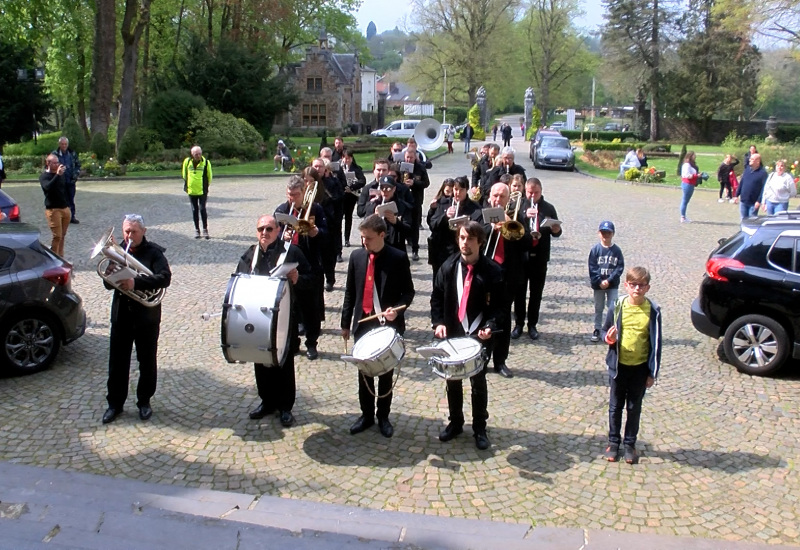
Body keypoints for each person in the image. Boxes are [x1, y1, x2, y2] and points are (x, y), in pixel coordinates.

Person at [431, 221, 504, 450]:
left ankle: (480, 428)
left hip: (479, 337)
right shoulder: (448, 266)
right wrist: (439, 322)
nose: (465, 243)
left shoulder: (492, 271)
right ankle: (455, 422)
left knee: (478, 382)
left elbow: (500, 307)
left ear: (480, 242)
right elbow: (436, 297)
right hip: (453, 333)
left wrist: (491, 325)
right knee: (452, 381)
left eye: (470, 239)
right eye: (462, 238)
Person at [341, 215, 415, 438]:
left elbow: (408, 292)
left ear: (382, 235)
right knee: (365, 372)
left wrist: (397, 309)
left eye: (369, 238)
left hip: (388, 325)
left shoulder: (398, 258)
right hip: (363, 324)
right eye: (362, 238)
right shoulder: (356, 257)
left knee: (384, 372)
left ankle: (383, 416)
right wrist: (346, 324)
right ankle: (366, 414)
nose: (364, 242)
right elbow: (350, 293)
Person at [237, 215, 312, 427]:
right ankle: (267, 401)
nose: (265, 233)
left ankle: (285, 407)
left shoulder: (291, 252)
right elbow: (240, 280)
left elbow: (312, 280)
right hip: (257, 317)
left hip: (285, 316)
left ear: (277, 230)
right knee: (260, 359)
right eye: (261, 229)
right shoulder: (250, 254)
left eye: (269, 229)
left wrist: (298, 279)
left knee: (283, 361)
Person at [102, 214, 172, 424]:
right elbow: (108, 284)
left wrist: (136, 283)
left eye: (133, 231)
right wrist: (110, 275)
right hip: (121, 314)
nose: (129, 236)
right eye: (126, 231)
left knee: (147, 361)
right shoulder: (118, 252)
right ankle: (115, 404)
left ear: (143, 231)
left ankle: (144, 401)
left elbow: (165, 278)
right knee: (117, 362)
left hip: (146, 317)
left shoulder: (154, 253)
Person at [601, 266, 662, 465]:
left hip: (640, 367)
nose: (637, 289)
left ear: (648, 288)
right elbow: (604, 332)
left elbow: (657, 343)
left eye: (641, 285)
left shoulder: (653, 311)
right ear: (626, 285)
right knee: (615, 406)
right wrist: (608, 339)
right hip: (619, 366)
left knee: (634, 407)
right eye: (633, 285)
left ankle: (629, 444)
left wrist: (652, 372)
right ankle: (613, 442)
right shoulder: (617, 306)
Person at [275, 175, 328, 360]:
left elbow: (326, 233)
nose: (292, 199)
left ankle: (312, 344)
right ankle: (293, 342)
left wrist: (315, 232)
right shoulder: (282, 210)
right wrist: (283, 235)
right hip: (289, 262)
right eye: (290, 195)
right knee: (291, 306)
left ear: (303, 192)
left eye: (296, 195)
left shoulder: (315, 208)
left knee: (311, 307)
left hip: (310, 262)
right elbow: (274, 234)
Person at [483, 183, 531, 378]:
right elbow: (471, 237)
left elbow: (528, 242)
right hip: (485, 274)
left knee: (502, 319)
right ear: (489, 197)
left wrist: (510, 224)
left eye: (502, 196)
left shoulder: (517, 217)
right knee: (484, 317)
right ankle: (482, 356)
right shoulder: (482, 215)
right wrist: (490, 228)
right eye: (495, 196)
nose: (498, 200)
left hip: (507, 275)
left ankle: (500, 361)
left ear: (508, 199)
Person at [515, 178, 561, 340]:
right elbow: (513, 226)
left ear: (541, 191)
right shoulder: (520, 206)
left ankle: (532, 324)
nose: (532, 195)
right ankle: (519, 323)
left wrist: (556, 229)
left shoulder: (548, 208)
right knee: (519, 293)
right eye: (529, 192)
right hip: (522, 256)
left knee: (536, 293)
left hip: (540, 256)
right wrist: (523, 215)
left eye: (536, 193)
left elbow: (557, 232)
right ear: (525, 191)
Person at [429, 176, 483, 279]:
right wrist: (445, 217)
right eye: (455, 189)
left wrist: (467, 225)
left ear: (467, 190)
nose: (457, 193)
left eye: (461, 190)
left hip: (463, 250)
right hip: (443, 250)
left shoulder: (475, 208)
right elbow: (433, 225)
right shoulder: (443, 203)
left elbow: (480, 229)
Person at [588, 221, 625, 343]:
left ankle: (612, 329)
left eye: (608, 233)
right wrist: (599, 281)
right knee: (598, 307)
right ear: (599, 233)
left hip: (612, 285)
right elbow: (592, 268)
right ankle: (597, 329)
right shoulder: (595, 250)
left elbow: (619, 268)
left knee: (613, 307)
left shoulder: (616, 251)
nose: (605, 235)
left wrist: (609, 280)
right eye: (603, 232)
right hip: (598, 285)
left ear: (613, 234)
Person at [362, 175, 411, 252]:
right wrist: (374, 217)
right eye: (382, 188)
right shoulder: (372, 204)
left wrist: (396, 222)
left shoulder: (402, 206)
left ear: (394, 189)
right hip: (376, 246)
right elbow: (364, 228)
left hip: (395, 247)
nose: (385, 191)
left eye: (388, 188)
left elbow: (409, 230)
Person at [400, 148, 430, 261]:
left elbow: (426, 183)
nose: (409, 159)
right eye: (407, 157)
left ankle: (415, 250)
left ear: (415, 157)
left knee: (415, 227)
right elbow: (396, 182)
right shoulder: (400, 168)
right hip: (403, 201)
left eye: (411, 157)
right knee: (403, 225)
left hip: (416, 201)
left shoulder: (420, 168)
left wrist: (415, 183)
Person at [39, 154, 71, 257]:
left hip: (64, 208)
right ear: (48, 163)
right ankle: (54, 258)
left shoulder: (61, 175)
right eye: (54, 163)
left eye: (58, 162)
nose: (57, 165)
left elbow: (64, 189)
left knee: (63, 236)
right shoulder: (44, 176)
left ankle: (61, 257)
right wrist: (57, 175)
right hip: (53, 210)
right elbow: (48, 187)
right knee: (57, 236)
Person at [182, 145, 213, 239]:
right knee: (194, 210)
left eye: (199, 154)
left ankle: (205, 229)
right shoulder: (187, 162)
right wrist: (188, 184)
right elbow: (184, 174)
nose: (198, 156)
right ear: (192, 154)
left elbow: (209, 176)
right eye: (196, 154)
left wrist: (205, 186)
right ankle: (197, 230)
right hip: (191, 190)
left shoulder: (206, 163)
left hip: (202, 190)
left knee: (202, 209)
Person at [340, 147, 366, 247]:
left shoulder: (356, 168)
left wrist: (351, 187)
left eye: (348, 158)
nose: (346, 160)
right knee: (339, 217)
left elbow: (362, 181)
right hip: (341, 196)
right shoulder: (339, 168)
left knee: (348, 217)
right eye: (345, 158)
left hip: (351, 196)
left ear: (351, 158)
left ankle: (347, 239)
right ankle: (339, 239)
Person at [53, 137, 81, 224]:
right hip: (59, 182)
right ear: (59, 144)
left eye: (65, 144)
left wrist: (75, 175)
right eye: (62, 144)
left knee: (71, 200)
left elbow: (78, 165)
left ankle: (72, 217)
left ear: (67, 145)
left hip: (70, 180)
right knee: (61, 200)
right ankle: (62, 218)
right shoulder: (55, 154)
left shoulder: (72, 153)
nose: (64, 146)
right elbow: (49, 167)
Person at [735, 153, 768, 220]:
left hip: (753, 202)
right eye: (750, 158)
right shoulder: (747, 169)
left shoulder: (763, 173)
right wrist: (736, 195)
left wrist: (759, 201)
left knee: (752, 221)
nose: (750, 160)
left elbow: (764, 189)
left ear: (757, 161)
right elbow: (742, 182)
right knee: (743, 220)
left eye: (752, 159)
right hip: (743, 200)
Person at [679, 150, 699, 223]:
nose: (695, 157)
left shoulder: (691, 164)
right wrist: (697, 176)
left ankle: (683, 216)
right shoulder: (687, 165)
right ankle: (683, 217)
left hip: (691, 184)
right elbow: (687, 175)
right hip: (687, 184)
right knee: (685, 200)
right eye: (694, 155)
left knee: (686, 200)